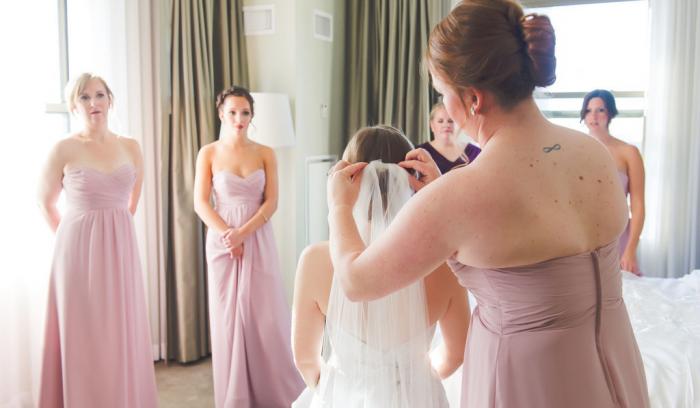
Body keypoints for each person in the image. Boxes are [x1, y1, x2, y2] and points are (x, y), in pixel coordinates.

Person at [326, 1, 650, 407]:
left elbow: (356, 282)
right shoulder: (595, 154)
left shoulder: (461, 195)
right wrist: (445, 191)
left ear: (473, 99)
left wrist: (338, 206)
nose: (445, 108)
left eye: (443, 94)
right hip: (612, 358)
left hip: (528, 379)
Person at [291, 126, 469, 407]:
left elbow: (304, 357)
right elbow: (457, 352)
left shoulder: (314, 260)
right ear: (411, 178)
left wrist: (338, 390)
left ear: (346, 178)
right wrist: (418, 381)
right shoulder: (444, 263)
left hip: (346, 396)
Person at [37, 73, 157, 407]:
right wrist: (73, 241)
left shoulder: (131, 147)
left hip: (120, 251)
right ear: (74, 105)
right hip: (75, 252)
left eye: (99, 95)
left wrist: (109, 237)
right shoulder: (64, 148)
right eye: (85, 98)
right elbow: (44, 202)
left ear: (110, 100)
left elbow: (131, 203)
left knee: (118, 333)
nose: (94, 103)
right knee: (84, 334)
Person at [193, 85, 304, 407]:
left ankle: (272, 390)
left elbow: (272, 202)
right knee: (229, 317)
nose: (239, 118)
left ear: (252, 115)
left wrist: (244, 233)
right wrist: (229, 235)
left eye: (245, 112)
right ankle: (234, 394)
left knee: (263, 315)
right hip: (221, 241)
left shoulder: (265, 152)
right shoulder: (209, 153)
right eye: (232, 112)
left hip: (257, 237)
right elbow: (201, 203)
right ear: (221, 114)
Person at [581, 89, 645, 275]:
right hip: (583, 238)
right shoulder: (574, 151)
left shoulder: (628, 152)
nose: (593, 116)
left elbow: (638, 204)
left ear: (610, 113)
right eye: (588, 110)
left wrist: (630, 251)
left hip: (617, 237)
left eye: (600, 110)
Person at [417, 101, 481, 174]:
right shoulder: (419, 152)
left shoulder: (477, 153)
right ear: (432, 125)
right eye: (440, 121)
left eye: (451, 121)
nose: (446, 125)